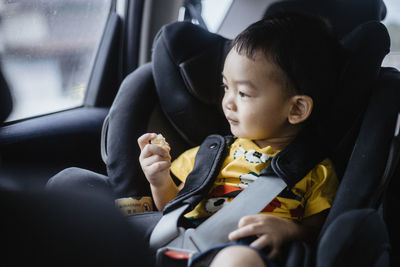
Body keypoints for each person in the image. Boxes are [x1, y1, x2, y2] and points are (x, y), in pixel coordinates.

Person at [140, 12, 343, 267]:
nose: (228, 102)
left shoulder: (316, 170)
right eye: (226, 87)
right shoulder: (210, 154)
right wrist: (159, 181)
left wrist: (291, 230)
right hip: (184, 246)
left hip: (249, 250)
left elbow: (320, 232)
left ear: (296, 109)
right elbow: (172, 212)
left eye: (243, 93)